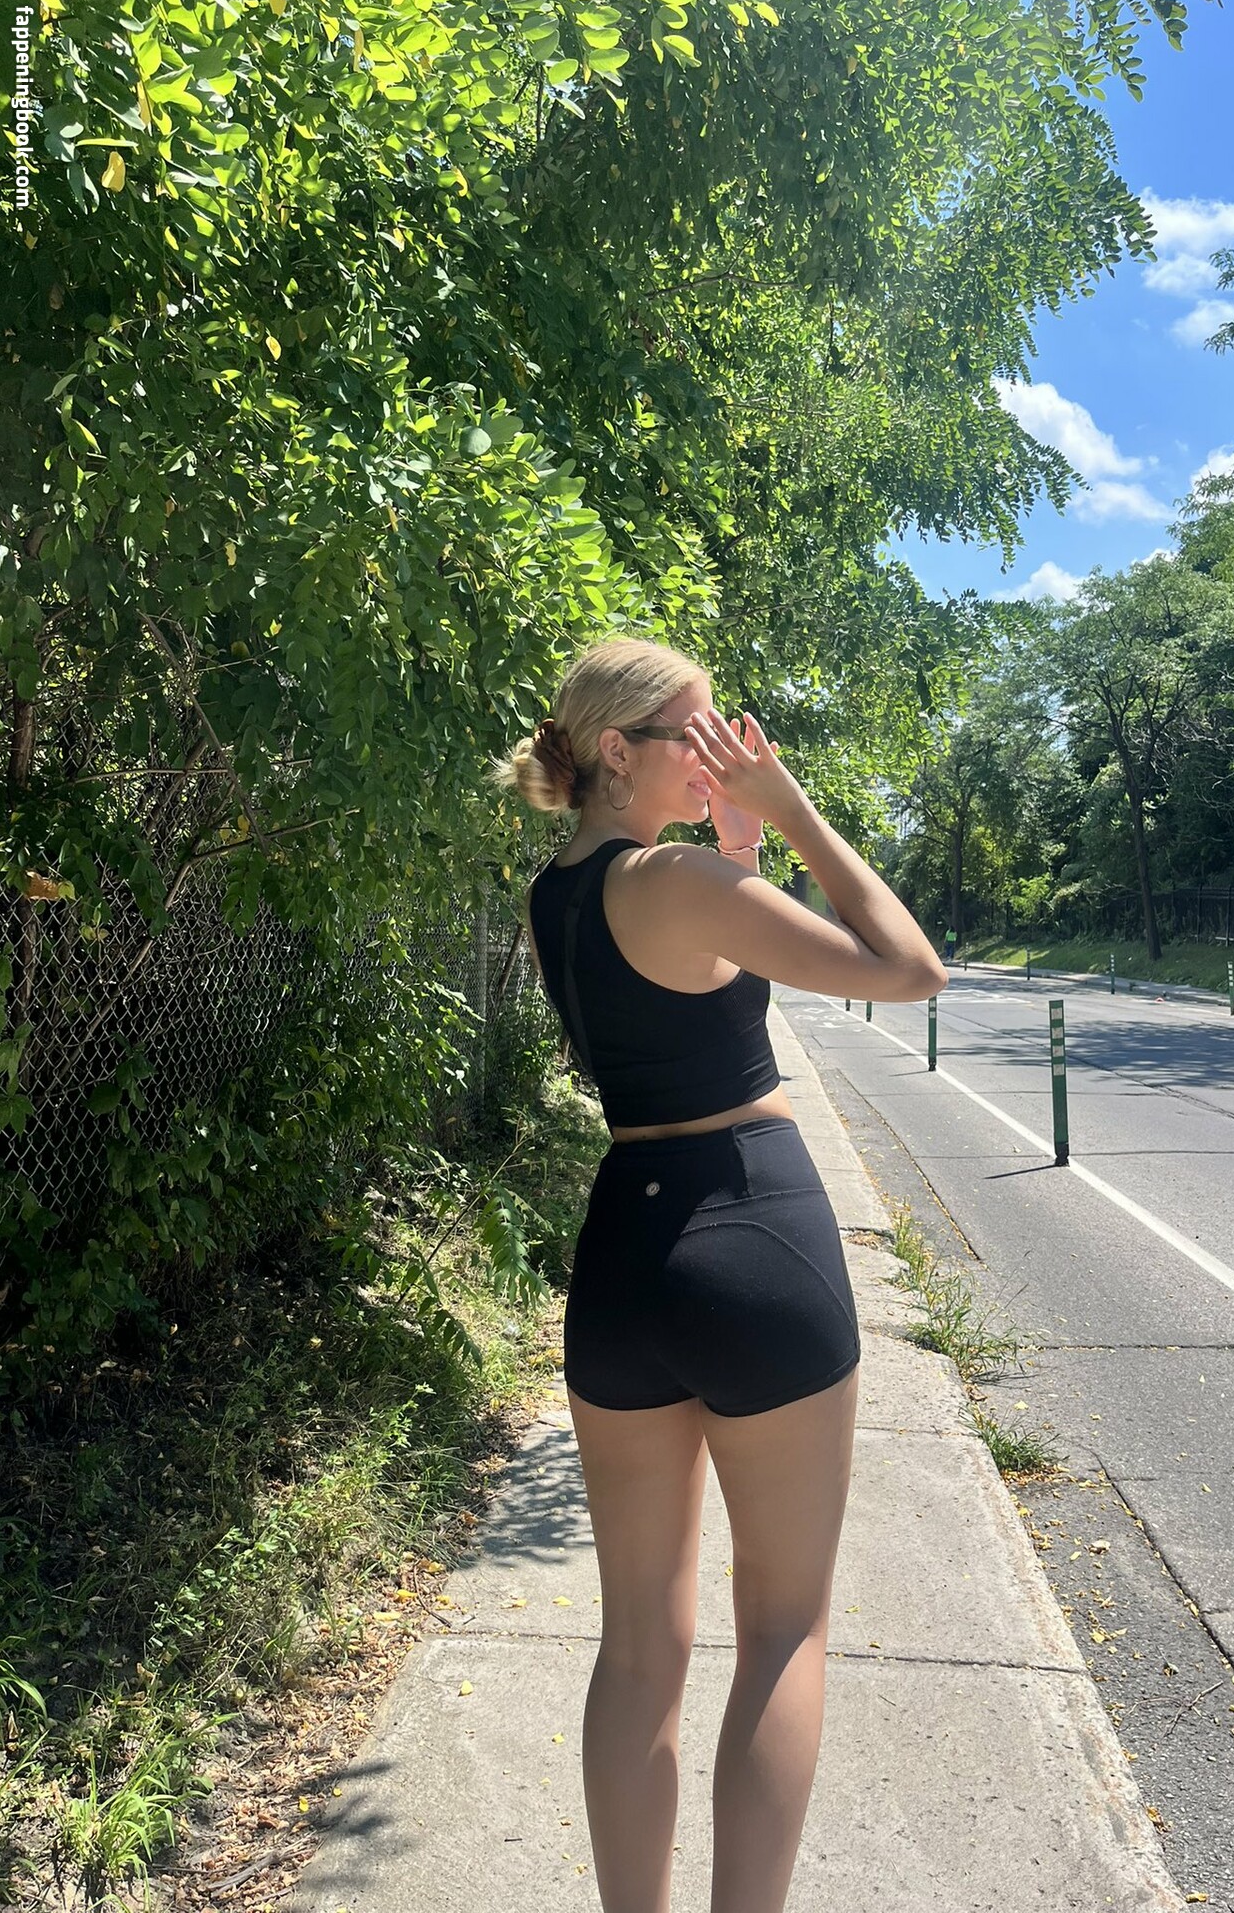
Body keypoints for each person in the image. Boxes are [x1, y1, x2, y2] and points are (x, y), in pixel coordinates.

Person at [493, 635, 945, 1913]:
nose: (724, 758)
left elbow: (691, 994)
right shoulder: (678, 876)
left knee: (637, 1646)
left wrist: (737, 847)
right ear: (618, 748)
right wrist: (787, 810)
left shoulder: (556, 894)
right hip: (754, 1231)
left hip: (624, 1256)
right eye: (699, 738)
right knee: (784, 1629)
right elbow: (910, 969)